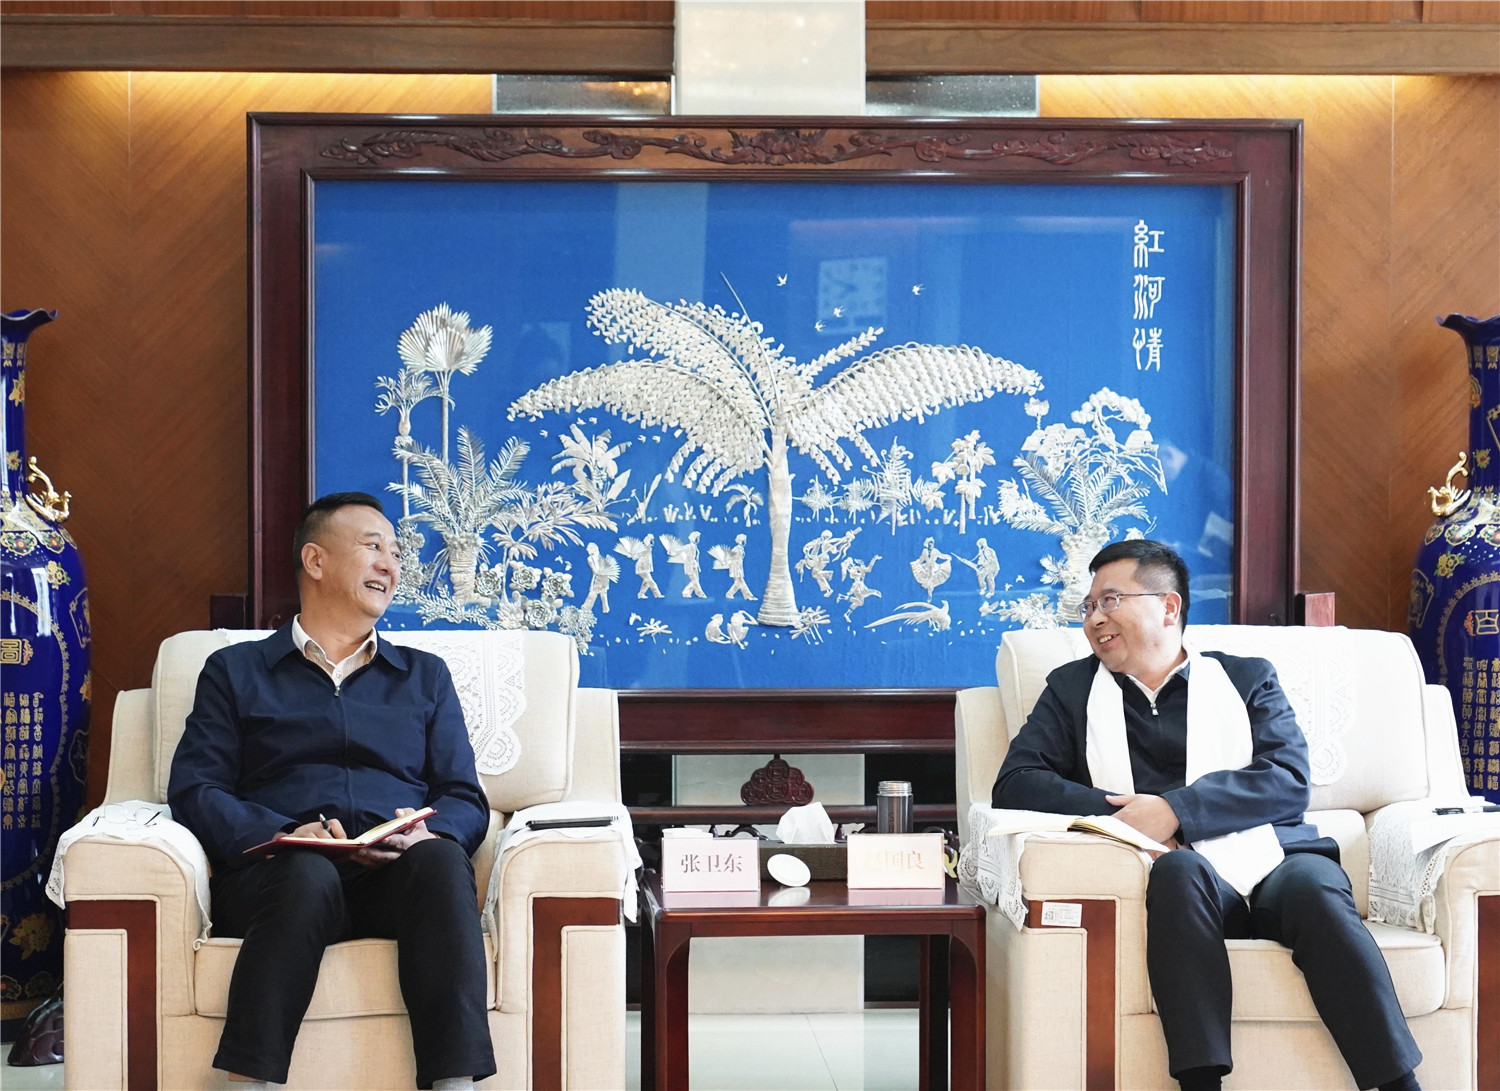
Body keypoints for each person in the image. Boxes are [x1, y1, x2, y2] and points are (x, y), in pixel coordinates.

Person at [990, 539, 1421, 1091]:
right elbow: (1016, 782)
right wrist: (1130, 818)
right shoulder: (1072, 690)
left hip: (1276, 860)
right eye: (1088, 606)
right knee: (1179, 870)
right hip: (1178, 881)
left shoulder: (1247, 678)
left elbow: (1288, 779)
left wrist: (1177, 809)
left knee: (1316, 890)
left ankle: (1398, 1085)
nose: (1094, 618)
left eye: (1111, 600)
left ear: (1169, 607)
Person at [168, 492, 495, 1091]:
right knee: (306, 871)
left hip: (393, 879)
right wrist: (283, 835)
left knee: (441, 861)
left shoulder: (423, 676)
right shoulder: (235, 671)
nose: (390, 565)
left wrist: (427, 833)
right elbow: (195, 788)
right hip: (278, 880)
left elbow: (463, 795)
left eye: (395, 553)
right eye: (373, 547)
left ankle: (455, 1083)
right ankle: (248, 1083)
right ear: (315, 561)